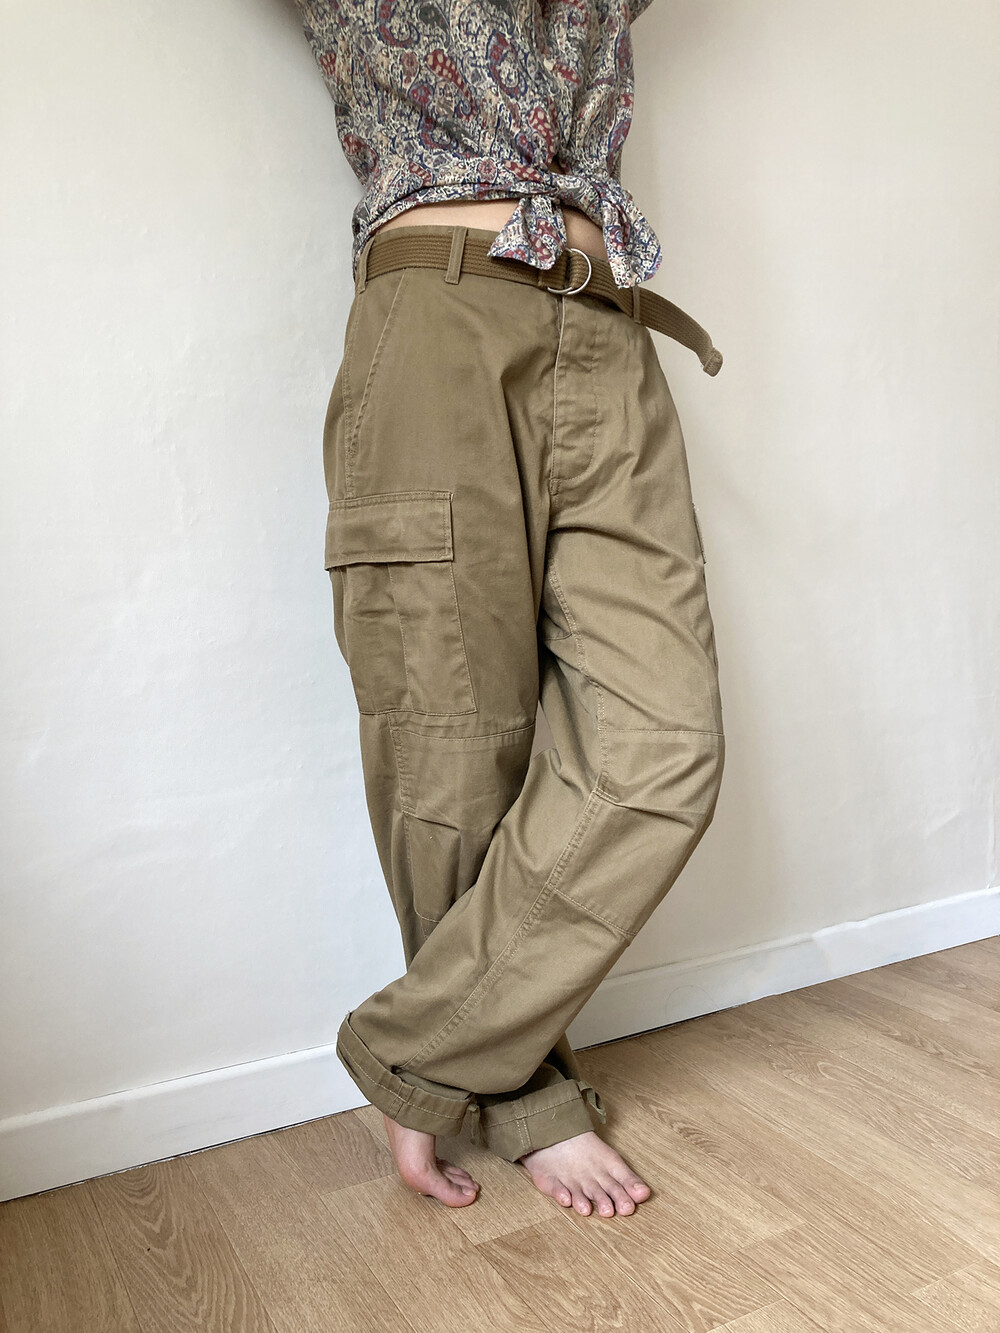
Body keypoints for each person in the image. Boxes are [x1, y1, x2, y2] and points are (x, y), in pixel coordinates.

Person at [294, 0, 726, 1217]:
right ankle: (523, 1092)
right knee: (452, 743)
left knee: (663, 747)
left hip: (608, 326)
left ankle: (416, 1053)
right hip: (438, 309)